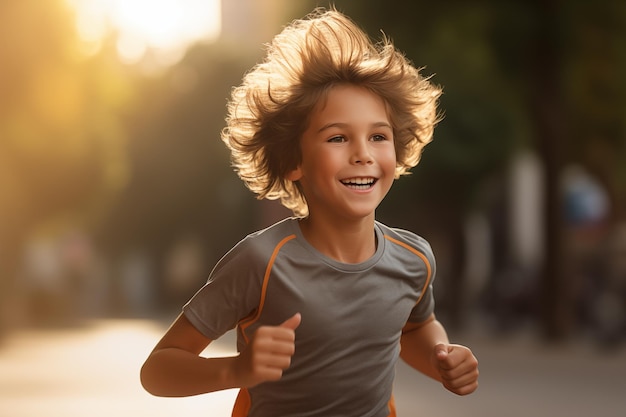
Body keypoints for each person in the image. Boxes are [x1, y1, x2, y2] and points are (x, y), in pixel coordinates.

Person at [140, 7, 479, 417]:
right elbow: (156, 371)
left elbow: (414, 326)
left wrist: (442, 357)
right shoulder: (261, 262)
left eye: (378, 136)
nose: (363, 154)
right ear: (292, 161)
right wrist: (236, 369)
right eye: (338, 137)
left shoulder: (414, 259)